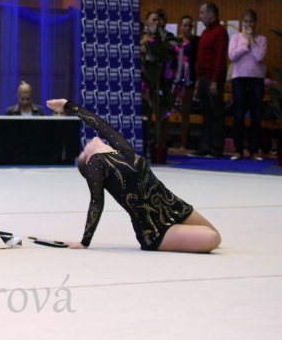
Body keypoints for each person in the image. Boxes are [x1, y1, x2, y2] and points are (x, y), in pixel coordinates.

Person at [47, 98, 221, 253]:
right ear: (86, 159)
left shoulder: (123, 151)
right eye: (82, 152)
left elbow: (99, 124)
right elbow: (96, 202)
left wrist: (67, 104)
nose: (86, 145)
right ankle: (177, 235)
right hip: (155, 229)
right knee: (213, 238)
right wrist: (84, 242)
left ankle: (182, 233)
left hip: (175, 206)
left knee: (215, 235)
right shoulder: (96, 164)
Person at [190, 2, 229, 158]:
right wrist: (198, 79)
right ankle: (205, 146)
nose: (200, 16)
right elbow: (201, 57)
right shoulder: (205, 32)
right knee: (206, 113)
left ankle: (216, 148)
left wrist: (215, 80)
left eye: (202, 13)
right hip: (203, 77)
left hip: (213, 78)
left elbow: (220, 57)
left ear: (211, 14)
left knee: (216, 113)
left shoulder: (220, 32)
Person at [228, 9, 267, 160]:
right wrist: (246, 45)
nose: (248, 24)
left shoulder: (261, 39)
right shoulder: (236, 38)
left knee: (256, 116)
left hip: (256, 79)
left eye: (251, 21)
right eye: (246, 21)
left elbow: (259, 56)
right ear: (242, 22)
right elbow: (232, 56)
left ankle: (254, 150)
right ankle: (238, 150)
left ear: (255, 23)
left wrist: (252, 40)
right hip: (239, 79)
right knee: (238, 115)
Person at [174, 15, 199, 150]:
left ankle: (183, 143)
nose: (188, 28)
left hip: (189, 79)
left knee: (186, 111)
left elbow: (198, 61)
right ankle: (163, 141)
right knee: (168, 111)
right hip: (174, 80)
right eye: (185, 25)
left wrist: (198, 79)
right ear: (180, 26)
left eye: (190, 26)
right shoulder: (175, 41)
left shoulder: (196, 41)